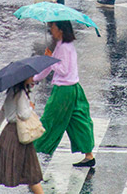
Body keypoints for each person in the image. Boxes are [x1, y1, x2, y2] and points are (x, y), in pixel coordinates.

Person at [33, 21, 96, 167]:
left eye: (53, 27)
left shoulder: (64, 48)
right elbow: (49, 68)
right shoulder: (63, 45)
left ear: (61, 30)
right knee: (79, 120)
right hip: (74, 88)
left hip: (63, 91)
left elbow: (63, 69)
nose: (51, 30)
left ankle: (34, 149)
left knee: (50, 120)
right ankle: (89, 155)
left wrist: (49, 60)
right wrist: (36, 78)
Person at [0, 78, 44, 194]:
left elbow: (3, 109)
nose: (33, 79)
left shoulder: (11, 92)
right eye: (30, 77)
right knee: (30, 170)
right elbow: (24, 114)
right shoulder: (21, 93)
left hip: (8, 134)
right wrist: (31, 106)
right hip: (18, 135)